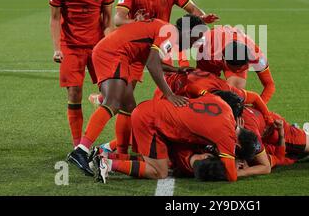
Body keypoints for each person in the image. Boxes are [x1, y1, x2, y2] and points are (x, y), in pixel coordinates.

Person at [89, 0, 219, 152]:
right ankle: (112, 146)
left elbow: (192, 9)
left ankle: (121, 146)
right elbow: (118, 19)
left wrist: (202, 18)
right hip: (130, 48)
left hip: (156, 47)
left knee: (127, 101)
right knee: (124, 100)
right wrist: (137, 22)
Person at [67, 15, 208, 176]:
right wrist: (169, 94)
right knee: (113, 103)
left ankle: (120, 153)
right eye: (197, 37)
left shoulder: (168, 31)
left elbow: (152, 60)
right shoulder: (171, 33)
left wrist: (176, 70)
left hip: (118, 54)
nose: (195, 43)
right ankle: (81, 151)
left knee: (129, 108)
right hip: (114, 53)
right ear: (189, 32)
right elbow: (152, 64)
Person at [93, 91, 260, 183]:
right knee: (160, 172)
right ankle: (108, 164)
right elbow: (231, 176)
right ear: (237, 146)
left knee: (159, 160)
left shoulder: (225, 107)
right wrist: (245, 170)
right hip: (151, 122)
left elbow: (207, 95)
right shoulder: (227, 137)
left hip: (153, 109)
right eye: (235, 152)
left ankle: (105, 155)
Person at [49, 0, 114, 148]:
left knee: (112, 92)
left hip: (97, 45)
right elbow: (54, 18)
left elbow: (108, 19)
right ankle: (78, 144)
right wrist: (57, 48)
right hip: (71, 46)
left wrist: (110, 45)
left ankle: (100, 98)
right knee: (74, 92)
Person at [196, 25, 275, 103]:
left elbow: (269, 85)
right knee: (204, 87)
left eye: (241, 68)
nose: (237, 71)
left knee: (235, 95)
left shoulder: (256, 55)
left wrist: (258, 107)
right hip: (213, 49)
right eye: (233, 69)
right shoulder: (208, 50)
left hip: (230, 45)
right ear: (224, 60)